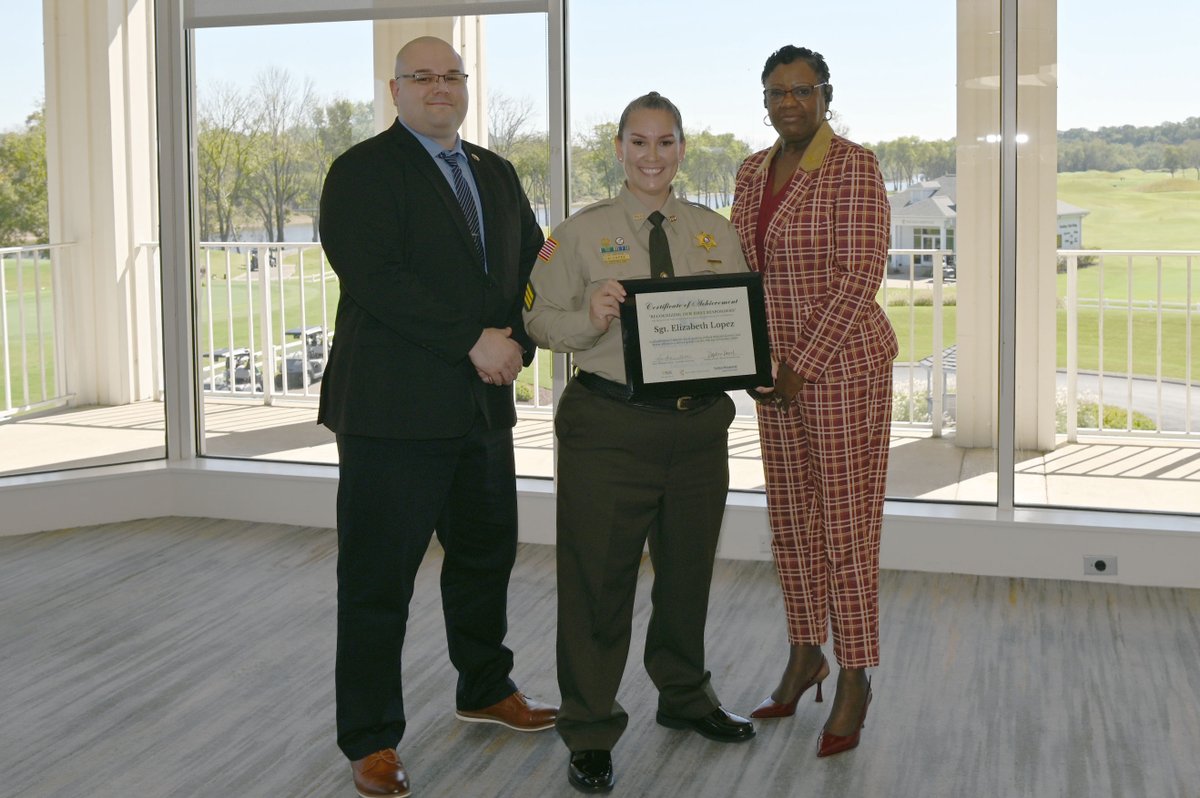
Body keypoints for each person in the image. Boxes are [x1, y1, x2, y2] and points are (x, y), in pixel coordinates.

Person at [318, 36, 557, 798]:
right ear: (396, 90)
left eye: (452, 75)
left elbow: (531, 265)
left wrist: (516, 338)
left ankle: (484, 687)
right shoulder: (361, 172)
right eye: (423, 77)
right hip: (391, 415)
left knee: (485, 559)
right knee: (377, 582)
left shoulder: (494, 170)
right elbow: (375, 277)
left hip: (480, 408)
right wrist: (471, 340)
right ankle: (370, 739)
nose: (440, 87)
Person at [524, 91, 755, 794]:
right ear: (620, 149)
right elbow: (537, 321)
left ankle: (685, 697)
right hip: (610, 430)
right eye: (639, 142)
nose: (652, 156)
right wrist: (588, 318)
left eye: (666, 142)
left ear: (682, 148)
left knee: (687, 574)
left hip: (696, 430)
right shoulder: (578, 234)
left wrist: (756, 364)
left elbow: (742, 321)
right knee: (598, 584)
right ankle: (591, 727)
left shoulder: (717, 231)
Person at [730, 45, 898, 758]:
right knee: (791, 523)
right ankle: (806, 653)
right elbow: (739, 272)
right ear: (763, 99)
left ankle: (856, 673)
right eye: (776, 91)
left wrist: (801, 366)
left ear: (826, 95)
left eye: (802, 90)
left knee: (846, 528)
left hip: (842, 371)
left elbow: (860, 275)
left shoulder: (853, 165)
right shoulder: (748, 171)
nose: (788, 102)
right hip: (774, 378)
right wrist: (745, 357)